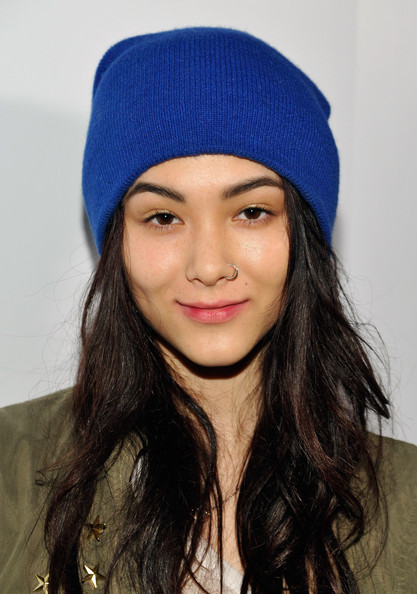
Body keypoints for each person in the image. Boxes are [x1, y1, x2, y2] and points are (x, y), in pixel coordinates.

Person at [0, 27, 416, 594]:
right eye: (163, 218)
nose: (210, 265)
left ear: (304, 233)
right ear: (117, 242)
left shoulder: (408, 497)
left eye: (252, 212)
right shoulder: (12, 466)